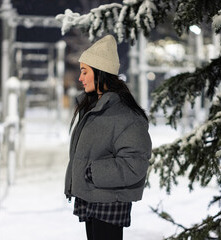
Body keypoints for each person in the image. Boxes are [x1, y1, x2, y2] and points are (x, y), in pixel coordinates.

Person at [64, 35, 152, 240]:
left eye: (85, 71)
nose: (80, 78)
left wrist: (92, 172)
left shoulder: (125, 114)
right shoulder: (94, 109)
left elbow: (135, 164)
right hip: (92, 197)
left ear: (100, 73)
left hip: (110, 201)